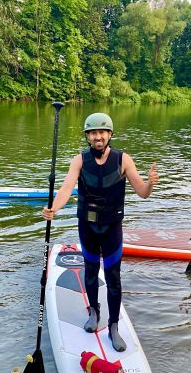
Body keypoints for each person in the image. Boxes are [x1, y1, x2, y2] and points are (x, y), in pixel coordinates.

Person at [42, 112, 159, 352]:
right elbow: (66, 188)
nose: (98, 137)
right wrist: (54, 207)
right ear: (87, 136)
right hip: (88, 225)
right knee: (91, 271)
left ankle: (114, 326)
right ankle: (94, 313)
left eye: (102, 132)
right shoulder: (79, 160)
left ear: (109, 134)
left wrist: (150, 183)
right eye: (93, 133)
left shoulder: (123, 159)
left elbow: (142, 192)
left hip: (112, 227)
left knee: (113, 277)